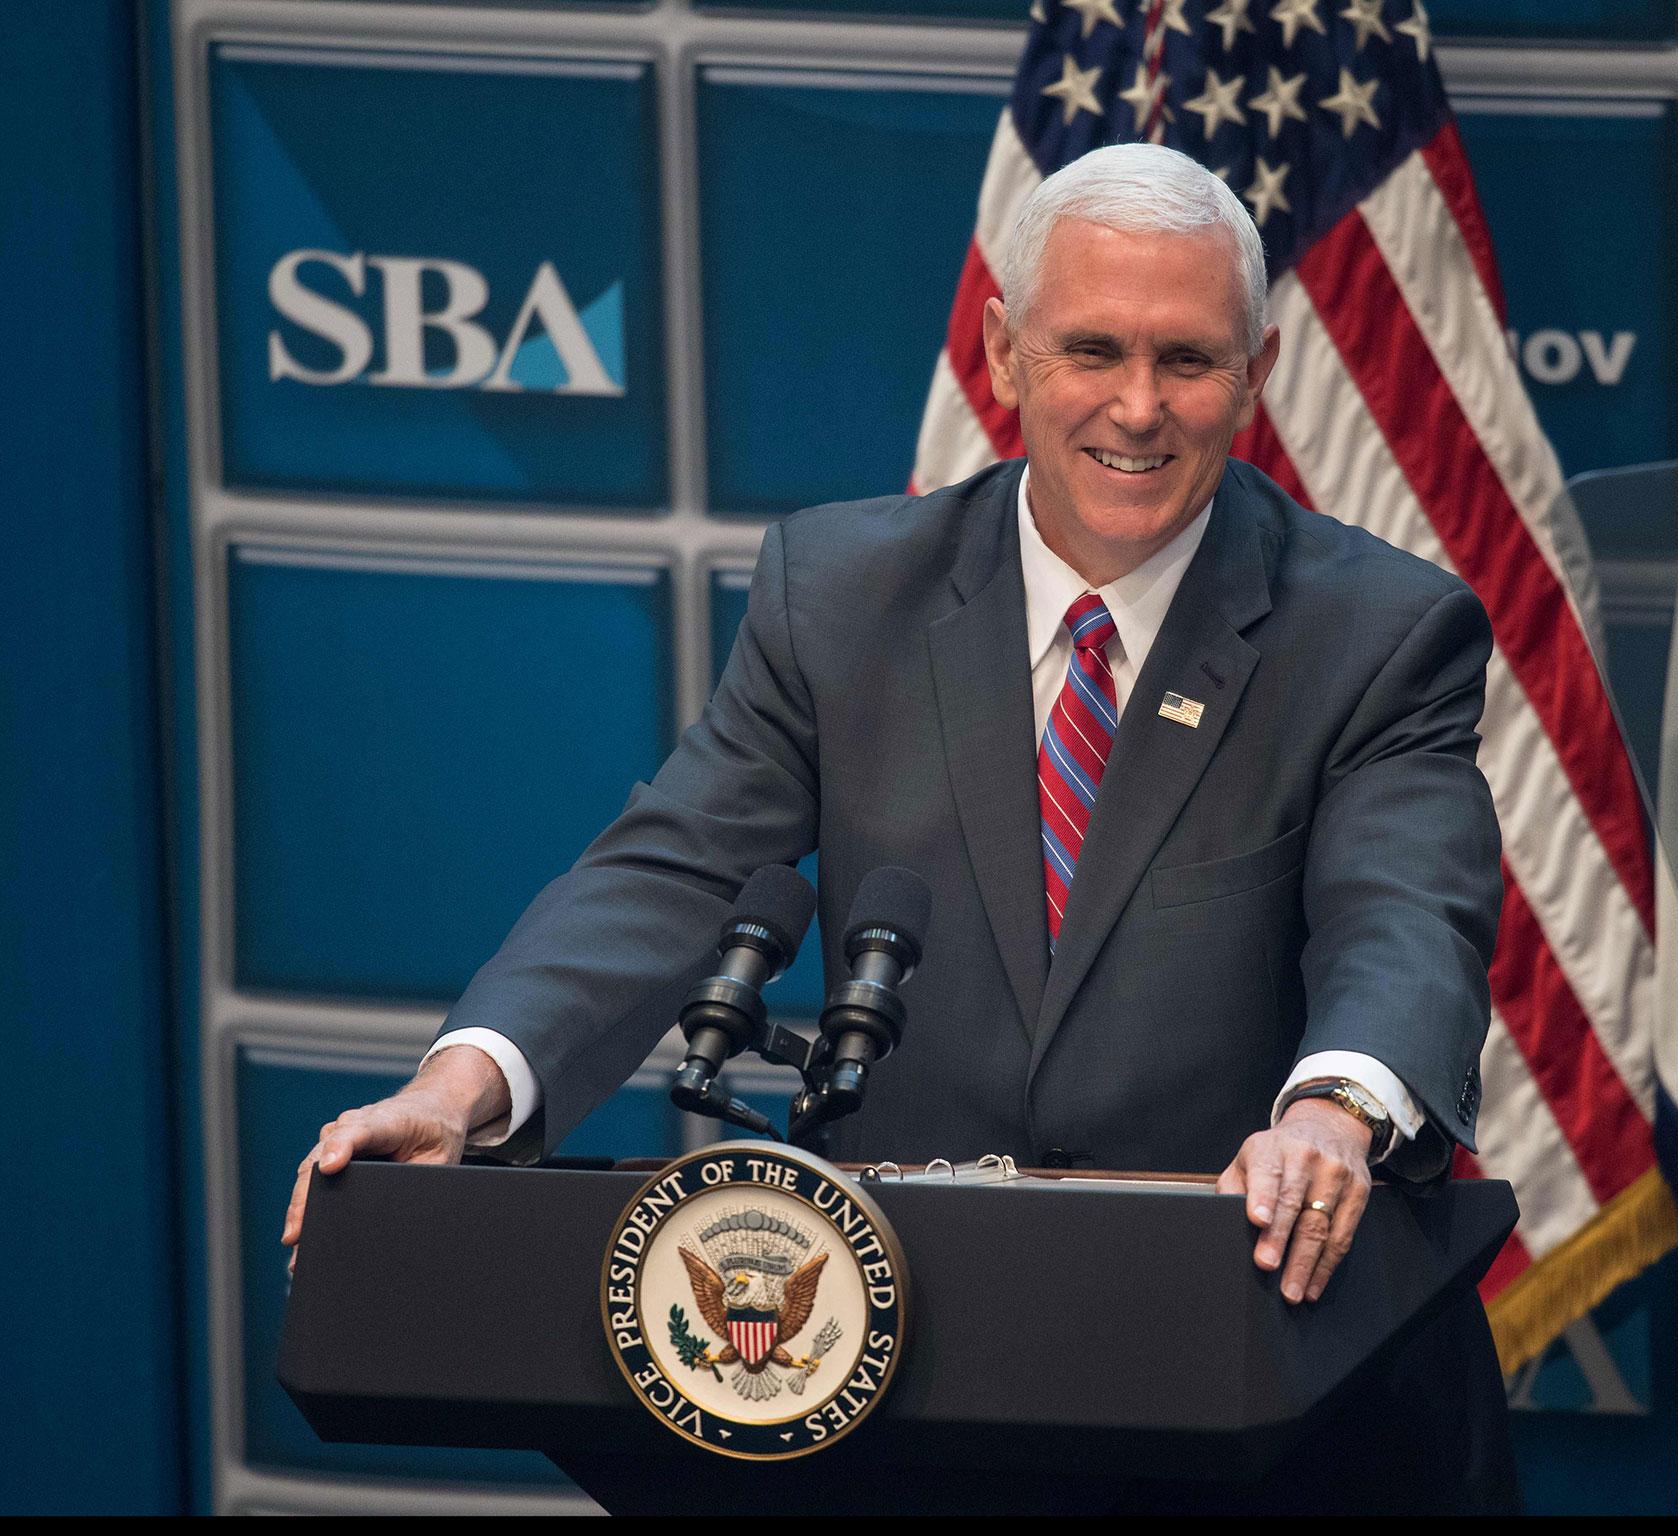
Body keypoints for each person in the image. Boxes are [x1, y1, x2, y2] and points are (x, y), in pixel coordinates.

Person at [282, 142, 1511, 1510]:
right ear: (1003, 351)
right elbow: (676, 868)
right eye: (1091, 349)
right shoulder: (841, 590)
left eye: (1188, 360)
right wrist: (460, 1089)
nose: (1139, 407)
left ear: (1258, 372)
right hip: (920, 1379)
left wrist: (1336, 1113)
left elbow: (1404, 916)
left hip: (1276, 1385)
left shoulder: (1381, 631)